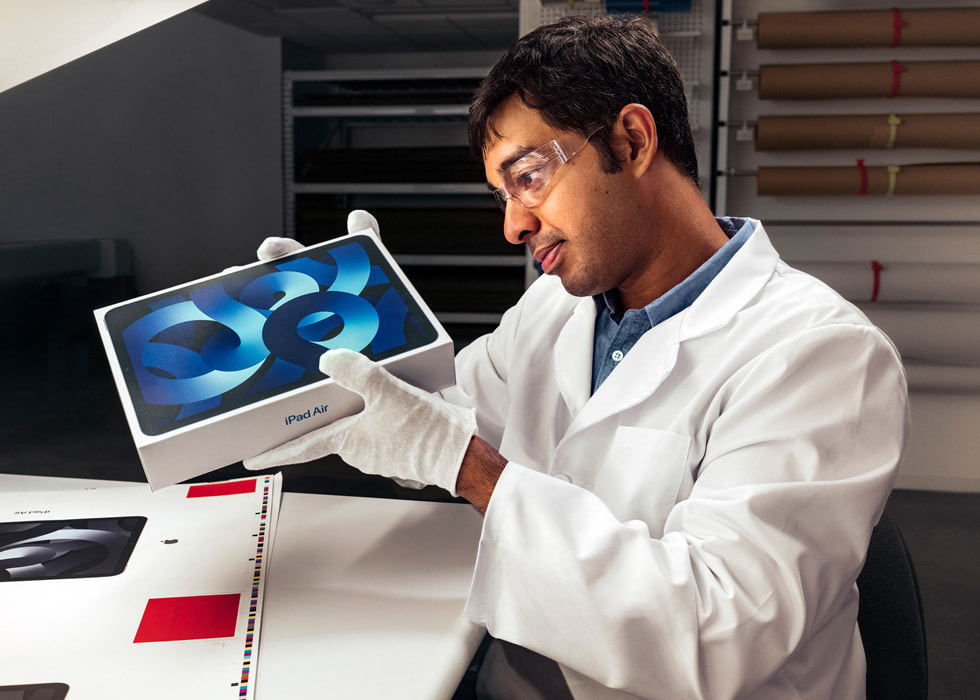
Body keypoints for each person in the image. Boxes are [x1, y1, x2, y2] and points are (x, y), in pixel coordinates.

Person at [246, 14, 910, 699]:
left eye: (529, 176)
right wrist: (363, 351)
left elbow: (716, 637)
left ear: (632, 140)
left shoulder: (822, 355)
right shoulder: (556, 308)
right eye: (503, 195)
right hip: (514, 676)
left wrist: (466, 466)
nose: (513, 225)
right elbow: (441, 420)